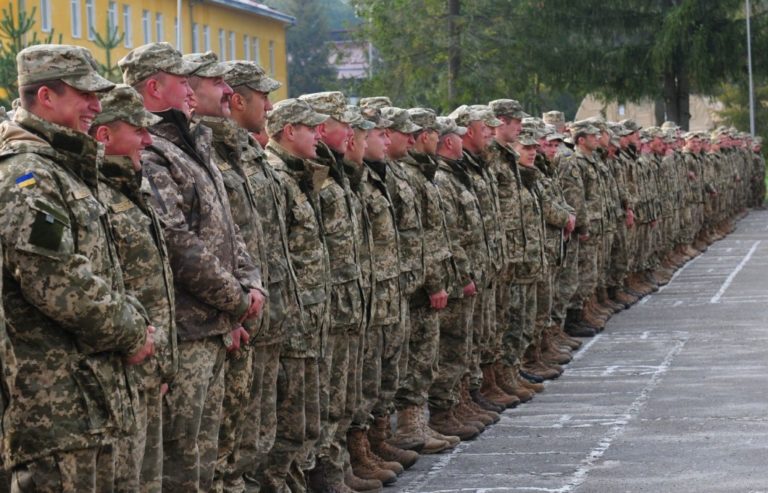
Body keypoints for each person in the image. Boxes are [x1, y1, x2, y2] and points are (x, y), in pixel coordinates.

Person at [0, 44, 154, 491]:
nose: (95, 106)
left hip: (91, 399)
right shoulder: (27, 175)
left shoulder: (63, 167)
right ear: (46, 96)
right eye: (84, 93)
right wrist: (132, 331)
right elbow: (58, 282)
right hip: (56, 411)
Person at [119, 42, 265, 492]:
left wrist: (250, 284)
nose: (191, 89)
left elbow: (229, 228)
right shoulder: (152, 152)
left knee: (207, 455)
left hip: (214, 324)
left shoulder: (193, 143)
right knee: (183, 463)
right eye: (183, 81)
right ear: (153, 87)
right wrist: (236, 299)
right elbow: (178, 243)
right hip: (186, 329)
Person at [89, 84, 176, 493]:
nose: (148, 140)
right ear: (104, 135)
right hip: (121, 371)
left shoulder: (131, 187)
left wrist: (161, 365)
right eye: (138, 130)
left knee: (148, 481)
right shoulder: (94, 194)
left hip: (149, 366)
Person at [220, 59, 293, 490]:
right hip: (238, 314)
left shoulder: (247, 153)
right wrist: (234, 308)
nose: (269, 106)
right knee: (236, 433)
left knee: (262, 422)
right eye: (262, 96)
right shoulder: (215, 156)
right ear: (237, 99)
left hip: (266, 309)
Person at [261, 98, 331, 493]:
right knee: (287, 424)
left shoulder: (298, 176)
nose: (319, 135)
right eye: (311, 128)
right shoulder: (276, 177)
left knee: (305, 420)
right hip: (290, 320)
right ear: (289, 131)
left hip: (308, 317)